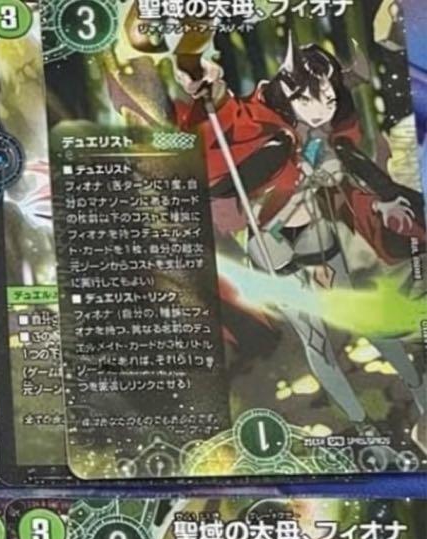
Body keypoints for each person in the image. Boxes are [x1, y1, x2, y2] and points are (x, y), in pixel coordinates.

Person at [176, 40, 426, 421]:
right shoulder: (261, 117)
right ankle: (361, 425)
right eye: (310, 100)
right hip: (270, 240)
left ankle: (419, 391)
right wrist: (212, 86)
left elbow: (350, 160)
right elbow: (227, 118)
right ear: (289, 91)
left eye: (328, 99)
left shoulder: (322, 128)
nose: (321, 110)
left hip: (313, 232)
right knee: (315, 339)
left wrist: (384, 198)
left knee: (362, 319)